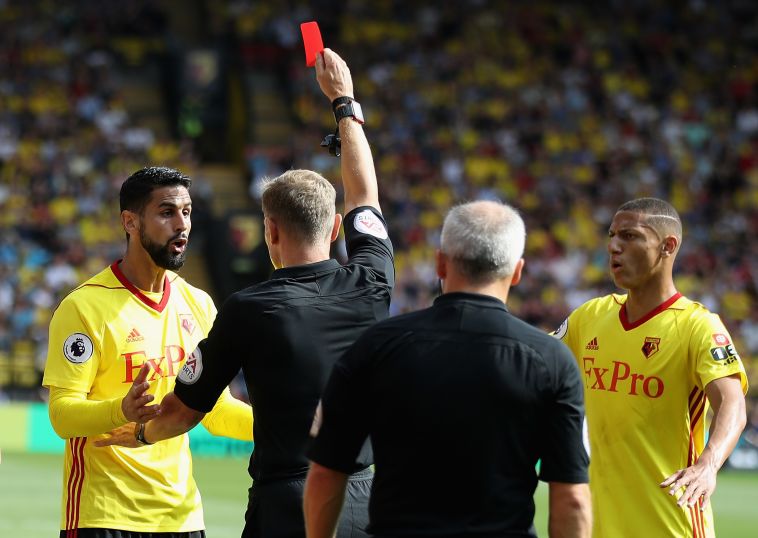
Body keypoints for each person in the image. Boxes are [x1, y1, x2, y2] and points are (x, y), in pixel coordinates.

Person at [108, 49, 394, 537]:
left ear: (270, 231)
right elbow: (364, 194)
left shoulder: (248, 309)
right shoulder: (373, 280)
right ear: (333, 231)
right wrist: (344, 103)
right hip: (366, 499)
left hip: (288, 504)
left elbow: (183, 411)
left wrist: (139, 432)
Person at [304, 200, 592, 538]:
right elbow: (572, 499)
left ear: (440, 263)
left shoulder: (376, 346)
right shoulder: (552, 360)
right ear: (517, 272)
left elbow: (325, 473)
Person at [42, 166, 253, 538]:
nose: (182, 224)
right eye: (167, 212)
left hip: (182, 518)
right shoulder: (83, 307)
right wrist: (121, 410)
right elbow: (61, 416)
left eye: (186, 212)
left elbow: (216, 410)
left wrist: (286, 425)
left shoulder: (199, 304)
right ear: (130, 222)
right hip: (102, 515)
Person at [553, 197, 748, 537]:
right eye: (612, 235)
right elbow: (536, 363)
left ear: (667, 246)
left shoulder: (698, 326)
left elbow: (732, 403)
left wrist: (709, 463)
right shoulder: (590, 316)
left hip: (671, 524)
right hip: (601, 527)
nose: (614, 246)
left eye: (629, 236)